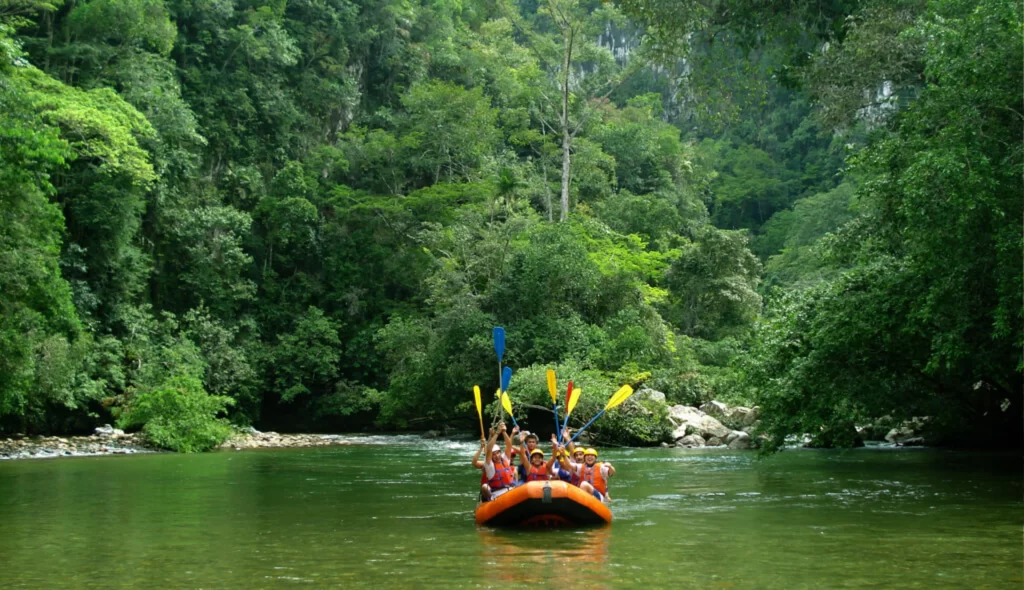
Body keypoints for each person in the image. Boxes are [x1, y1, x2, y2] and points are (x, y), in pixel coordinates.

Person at [477, 426, 516, 501]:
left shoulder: (505, 460)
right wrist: (497, 433)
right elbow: (488, 450)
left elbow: (509, 445)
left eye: (498, 453)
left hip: (511, 490)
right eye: (493, 454)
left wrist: (504, 432)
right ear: (491, 456)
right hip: (498, 495)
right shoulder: (490, 466)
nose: (496, 456)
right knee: (485, 486)